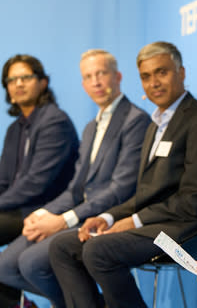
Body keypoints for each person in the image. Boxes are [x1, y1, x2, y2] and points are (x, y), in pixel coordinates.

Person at [48, 41, 197, 308]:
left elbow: (195, 199)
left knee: (99, 250)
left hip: (188, 227)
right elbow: (146, 194)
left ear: (182, 72)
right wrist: (108, 217)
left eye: (162, 72)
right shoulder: (156, 124)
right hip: (156, 224)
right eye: (146, 76)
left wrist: (134, 221)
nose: (154, 82)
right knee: (62, 246)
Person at [0, 49, 150, 308]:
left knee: (31, 262)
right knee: (6, 267)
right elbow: (75, 189)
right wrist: (46, 213)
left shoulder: (135, 121)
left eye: (101, 73)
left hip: (107, 216)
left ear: (118, 76)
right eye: (89, 76)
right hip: (76, 212)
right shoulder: (91, 127)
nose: (96, 82)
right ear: (82, 84)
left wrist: (62, 220)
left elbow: (121, 188)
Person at [0, 54, 79, 307]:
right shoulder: (15, 129)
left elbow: (36, 183)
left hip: (46, 210)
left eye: (25, 77)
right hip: (20, 209)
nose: (18, 84)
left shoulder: (55, 121)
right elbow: (4, 180)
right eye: (12, 80)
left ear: (43, 83)